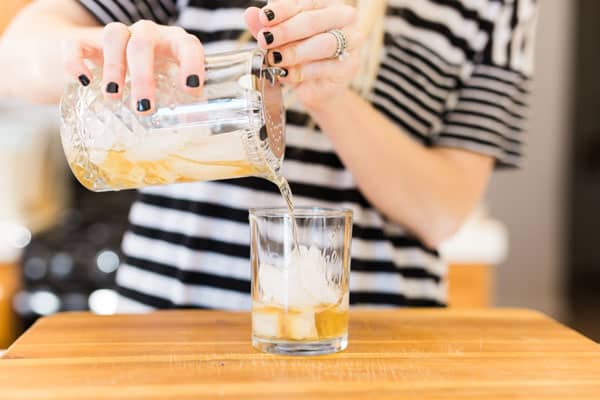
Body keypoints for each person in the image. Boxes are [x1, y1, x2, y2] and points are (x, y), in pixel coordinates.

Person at [0, 0, 538, 311]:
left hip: (374, 339)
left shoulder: (499, 8)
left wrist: (328, 95)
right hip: (168, 324)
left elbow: (442, 211)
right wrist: (97, 53)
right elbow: (17, 51)